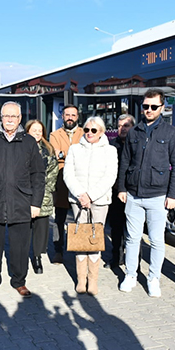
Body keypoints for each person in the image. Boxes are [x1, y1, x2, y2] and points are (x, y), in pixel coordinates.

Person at [0, 101, 45, 297]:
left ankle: (19, 281)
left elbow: (38, 174)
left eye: (14, 116)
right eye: (6, 116)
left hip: (22, 201)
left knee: (20, 246)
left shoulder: (29, 142)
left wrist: (36, 203)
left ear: (20, 119)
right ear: (1, 118)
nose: (10, 120)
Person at [117, 88, 175, 297]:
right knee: (132, 239)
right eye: (145, 106)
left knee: (156, 240)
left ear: (162, 108)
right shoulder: (134, 132)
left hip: (158, 196)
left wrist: (173, 196)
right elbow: (125, 162)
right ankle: (131, 275)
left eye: (153, 106)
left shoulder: (171, 133)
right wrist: (121, 187)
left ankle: (154, 278)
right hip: (134, 195)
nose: (149, 110)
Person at [63, 117, 118, 295]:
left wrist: (91, 196)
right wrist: (81, 195)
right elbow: (68, 174)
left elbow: (110, 176)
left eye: (93, 130)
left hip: (99, 201)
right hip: (78, 201)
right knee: (80, 239)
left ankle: (93, 280)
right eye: (86, 130)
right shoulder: (74, 149)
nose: (89, 133)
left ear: (101, 131)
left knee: (94, 239)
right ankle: (81, 279)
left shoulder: (110, 151)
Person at [49, 104, 84, 264]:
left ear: (78, 117)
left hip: (81, 181)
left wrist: (64, 154)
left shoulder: (86, 133)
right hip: (61, 182)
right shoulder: (54, 135)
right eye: (67, 115)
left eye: (73, 115)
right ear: (62, 117)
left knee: (80, 218)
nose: (70, 117)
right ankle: (58, 250)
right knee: (59, 220)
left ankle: (81, 251)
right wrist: (72, 154)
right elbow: (55, 154)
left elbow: (65, 154)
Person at [25, 120, 58, 274]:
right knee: (25, 227)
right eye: (34, 130)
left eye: (40, 131)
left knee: (41, 228)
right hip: (24, 194)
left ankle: (37, 257)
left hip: (43, 194)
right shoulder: (21, 147)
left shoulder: (48, 149)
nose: (37, 133)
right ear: (27, 131)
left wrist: (48, 188)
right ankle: (23, 255)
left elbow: (53, 171)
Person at [105, 114, 135, 269]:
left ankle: (133, 262)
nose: (122, 129)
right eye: (119, 126)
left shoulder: (138, 143)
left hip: (133, 193)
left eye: (126, 125)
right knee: (116, 228)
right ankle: (116, 258)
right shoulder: (111, 145)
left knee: (133, 231)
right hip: (116, 193)